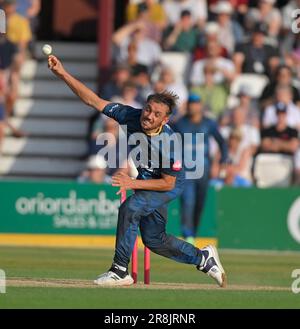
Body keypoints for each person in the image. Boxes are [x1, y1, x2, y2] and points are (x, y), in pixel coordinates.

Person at [48, 55, 226, 288]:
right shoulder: (131, 115)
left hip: (169, 182)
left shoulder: (170, 143)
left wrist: (132, 183)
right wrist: (63, 73)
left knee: (130, 207)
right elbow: (94, 101)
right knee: (154, 239)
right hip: (147, 176)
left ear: (165, 119)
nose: (148, 116)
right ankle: (203, 258)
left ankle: (120, 270)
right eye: (148, 109)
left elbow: (167, 184)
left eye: (156, 114)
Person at [172, 94, 228, 245]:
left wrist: (222, 162)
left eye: (196, 103)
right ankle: (188, 234)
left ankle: (193, 233)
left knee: (199, 204)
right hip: (186, 171)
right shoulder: (180, 124)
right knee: (187, 201)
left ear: (200, 106)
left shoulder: (209, 124)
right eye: (190, 104)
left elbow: (222, 142)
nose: (193, 107)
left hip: (204, 170)